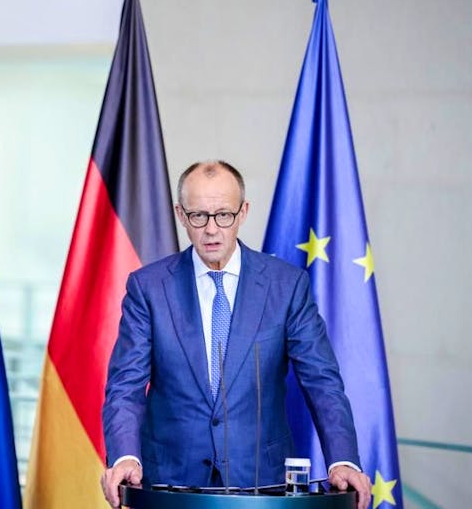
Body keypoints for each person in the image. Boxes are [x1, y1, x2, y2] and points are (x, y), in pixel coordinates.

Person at [100, 161, 371, 509]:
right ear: (180, 215)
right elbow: (125, 386)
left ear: (243, 212)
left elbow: (322, 381)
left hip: (263, 486)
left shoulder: (286, 286)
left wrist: (343, 460)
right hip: (168, 484)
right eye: (198, 216)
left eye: (223, 215)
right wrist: (125, 456)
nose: (211, 229)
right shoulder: (148, 288)